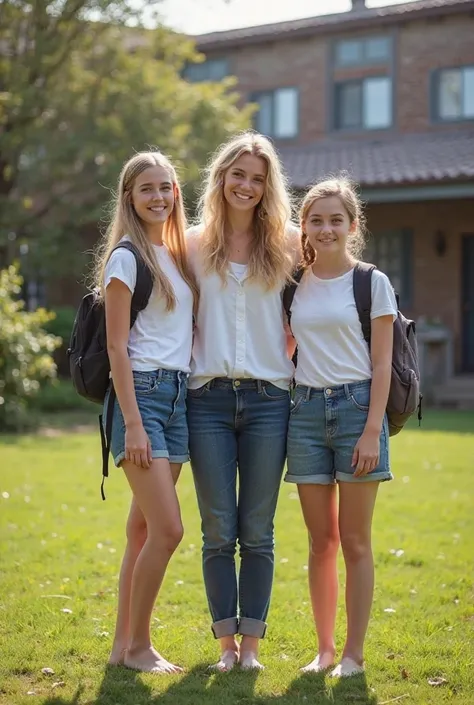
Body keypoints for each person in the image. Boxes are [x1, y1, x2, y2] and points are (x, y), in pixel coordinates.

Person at [186, 131, 300, 672]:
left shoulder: (290, 244)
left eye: (258, 178)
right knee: (217, 530)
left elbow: (326, 298)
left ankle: (251, 649)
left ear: (268, 185)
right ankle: (225, 648)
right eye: (239, 175)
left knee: (257, 530)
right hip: (204, 400)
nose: (247, 186)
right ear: (221, 177)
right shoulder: (188, 244)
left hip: (268, 401)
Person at [285, 177, 397, 677]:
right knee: (320, 542)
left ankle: (353, 654)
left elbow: (382, 364)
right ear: (303, 226)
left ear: (352, 225)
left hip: (356, 413)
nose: (325, 228)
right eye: (316, 219)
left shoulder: (371, 281)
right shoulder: (293, 283)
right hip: (304, 413)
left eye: (335, 220)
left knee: (354, 540)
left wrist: (373, 429)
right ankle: (325, 649)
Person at [94, 151, 198, 673]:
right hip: (142, 397)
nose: (159, 197)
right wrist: (133, 423)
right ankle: (138, 647)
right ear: (130, 198)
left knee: (142, 532)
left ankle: (123, 647)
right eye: (147, 189)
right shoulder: (126, 257)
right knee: (169, 530)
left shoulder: (176, 255)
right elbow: (117, 349)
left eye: (166, 187)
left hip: (178, 397)